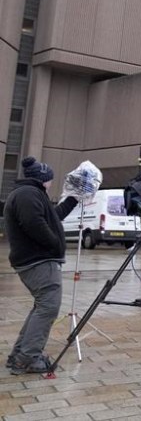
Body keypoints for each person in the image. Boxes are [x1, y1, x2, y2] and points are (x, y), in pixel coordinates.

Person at [4, 157, 78, 374]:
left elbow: (52, 217)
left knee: (42, 306)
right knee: (48, 307)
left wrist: (73, 200)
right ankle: (27, 359)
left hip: (36, 261)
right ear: (43, 179)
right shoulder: (28, 194)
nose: (52, 183)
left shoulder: (30, 194)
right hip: (38, 261)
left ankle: (20, 355)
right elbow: (35, 224)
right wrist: (55, 245)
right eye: (50, 180)